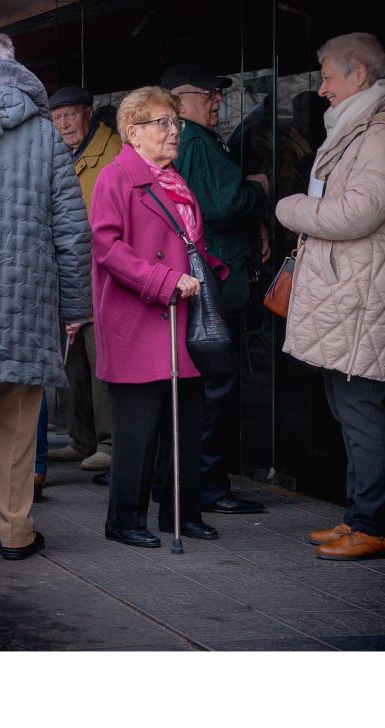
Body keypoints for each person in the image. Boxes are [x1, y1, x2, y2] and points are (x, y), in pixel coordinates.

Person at [0, 30, 92, 560]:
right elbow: (73, 230)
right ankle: (15, 530)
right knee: (17, 422)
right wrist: (76, 309)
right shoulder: (46, 134)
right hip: (28, 299)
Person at [276, 33, 385, 560]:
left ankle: (373, 523)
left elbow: (356, 213)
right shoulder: (361, 128)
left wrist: (290, 207)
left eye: (328, 76)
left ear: (360, 76)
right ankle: (358, 516)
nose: (321, 87)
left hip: (362, 294)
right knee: (346, 407)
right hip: (347, 291)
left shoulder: (383, 134)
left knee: (360, 410)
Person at [90, 86, 229, 548]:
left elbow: (187, 243)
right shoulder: (116, 177)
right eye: (162, 123)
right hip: (140, 317)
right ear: (133, 132)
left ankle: (181, 513)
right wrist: (163, 281)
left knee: (185, 424)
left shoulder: (174, 178)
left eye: (175, 122)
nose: (173, 132)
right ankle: (124, 520)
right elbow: (108, 248)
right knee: (138, 430)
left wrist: (212, 273)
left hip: (181, 316)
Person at [160, 63, 269, 515]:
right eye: (209, 94)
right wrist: (258, 190)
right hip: (216, 280)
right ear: (181, 100)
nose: (217, 101)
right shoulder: (196, 141)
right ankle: (209, 486)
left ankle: (188, 481)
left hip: (202, 278)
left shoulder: (179, 140)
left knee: (200, 387)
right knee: (215, 387)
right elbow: (222, 205)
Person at [47, 86, 122, 474]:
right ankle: (81, 439)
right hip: (71, 275)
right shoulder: (63, 154)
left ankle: (109, 442)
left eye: (70, 116)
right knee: (73, 363)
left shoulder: (113, 154)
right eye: (57, 119)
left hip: (100, 275)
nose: (63, 125)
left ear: (88, 114)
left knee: (99, 361)